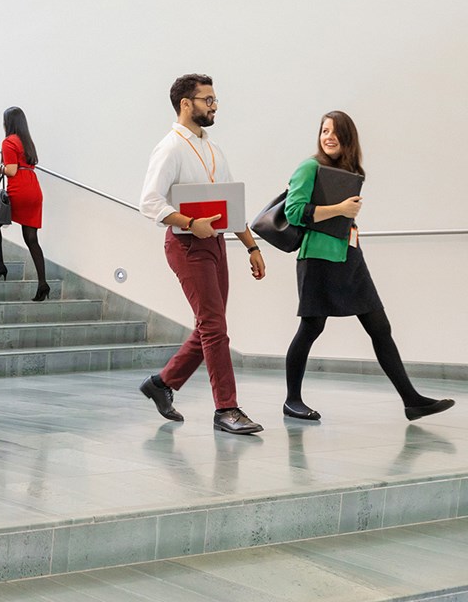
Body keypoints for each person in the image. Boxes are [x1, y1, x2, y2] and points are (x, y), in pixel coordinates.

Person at [282, 110, 454, 422]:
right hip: (318, 258)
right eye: (324, 131)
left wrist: (346, 215)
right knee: (311, 327)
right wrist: (339, 208)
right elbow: (294, 212)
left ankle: (411, 400)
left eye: (335, 132)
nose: (329, 137)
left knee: (379, 327)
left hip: (350, 256)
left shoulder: (348, 171)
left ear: (348, 137)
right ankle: (292, 399)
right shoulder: (310, 166)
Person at [139, 74, 266, 435]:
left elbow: (232, 204)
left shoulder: (211, 147)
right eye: (207, 100)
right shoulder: (169, 148)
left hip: (216, 243)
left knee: (209, 325)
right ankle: (226, 408)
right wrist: (191, 223)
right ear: (186, 104)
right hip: (187, 244)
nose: (214, 106)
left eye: (214, 100)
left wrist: (251, 245)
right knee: (214, 326)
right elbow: (149, 202)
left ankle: (161, 384)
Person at [0, 106, 49, 301]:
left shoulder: (9, 141)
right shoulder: (28, 142)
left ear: (8, 123)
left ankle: (0, 266)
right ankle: (43, 284)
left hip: (19, 189)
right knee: (31, 239)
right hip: (34, 190)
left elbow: (11, 170)